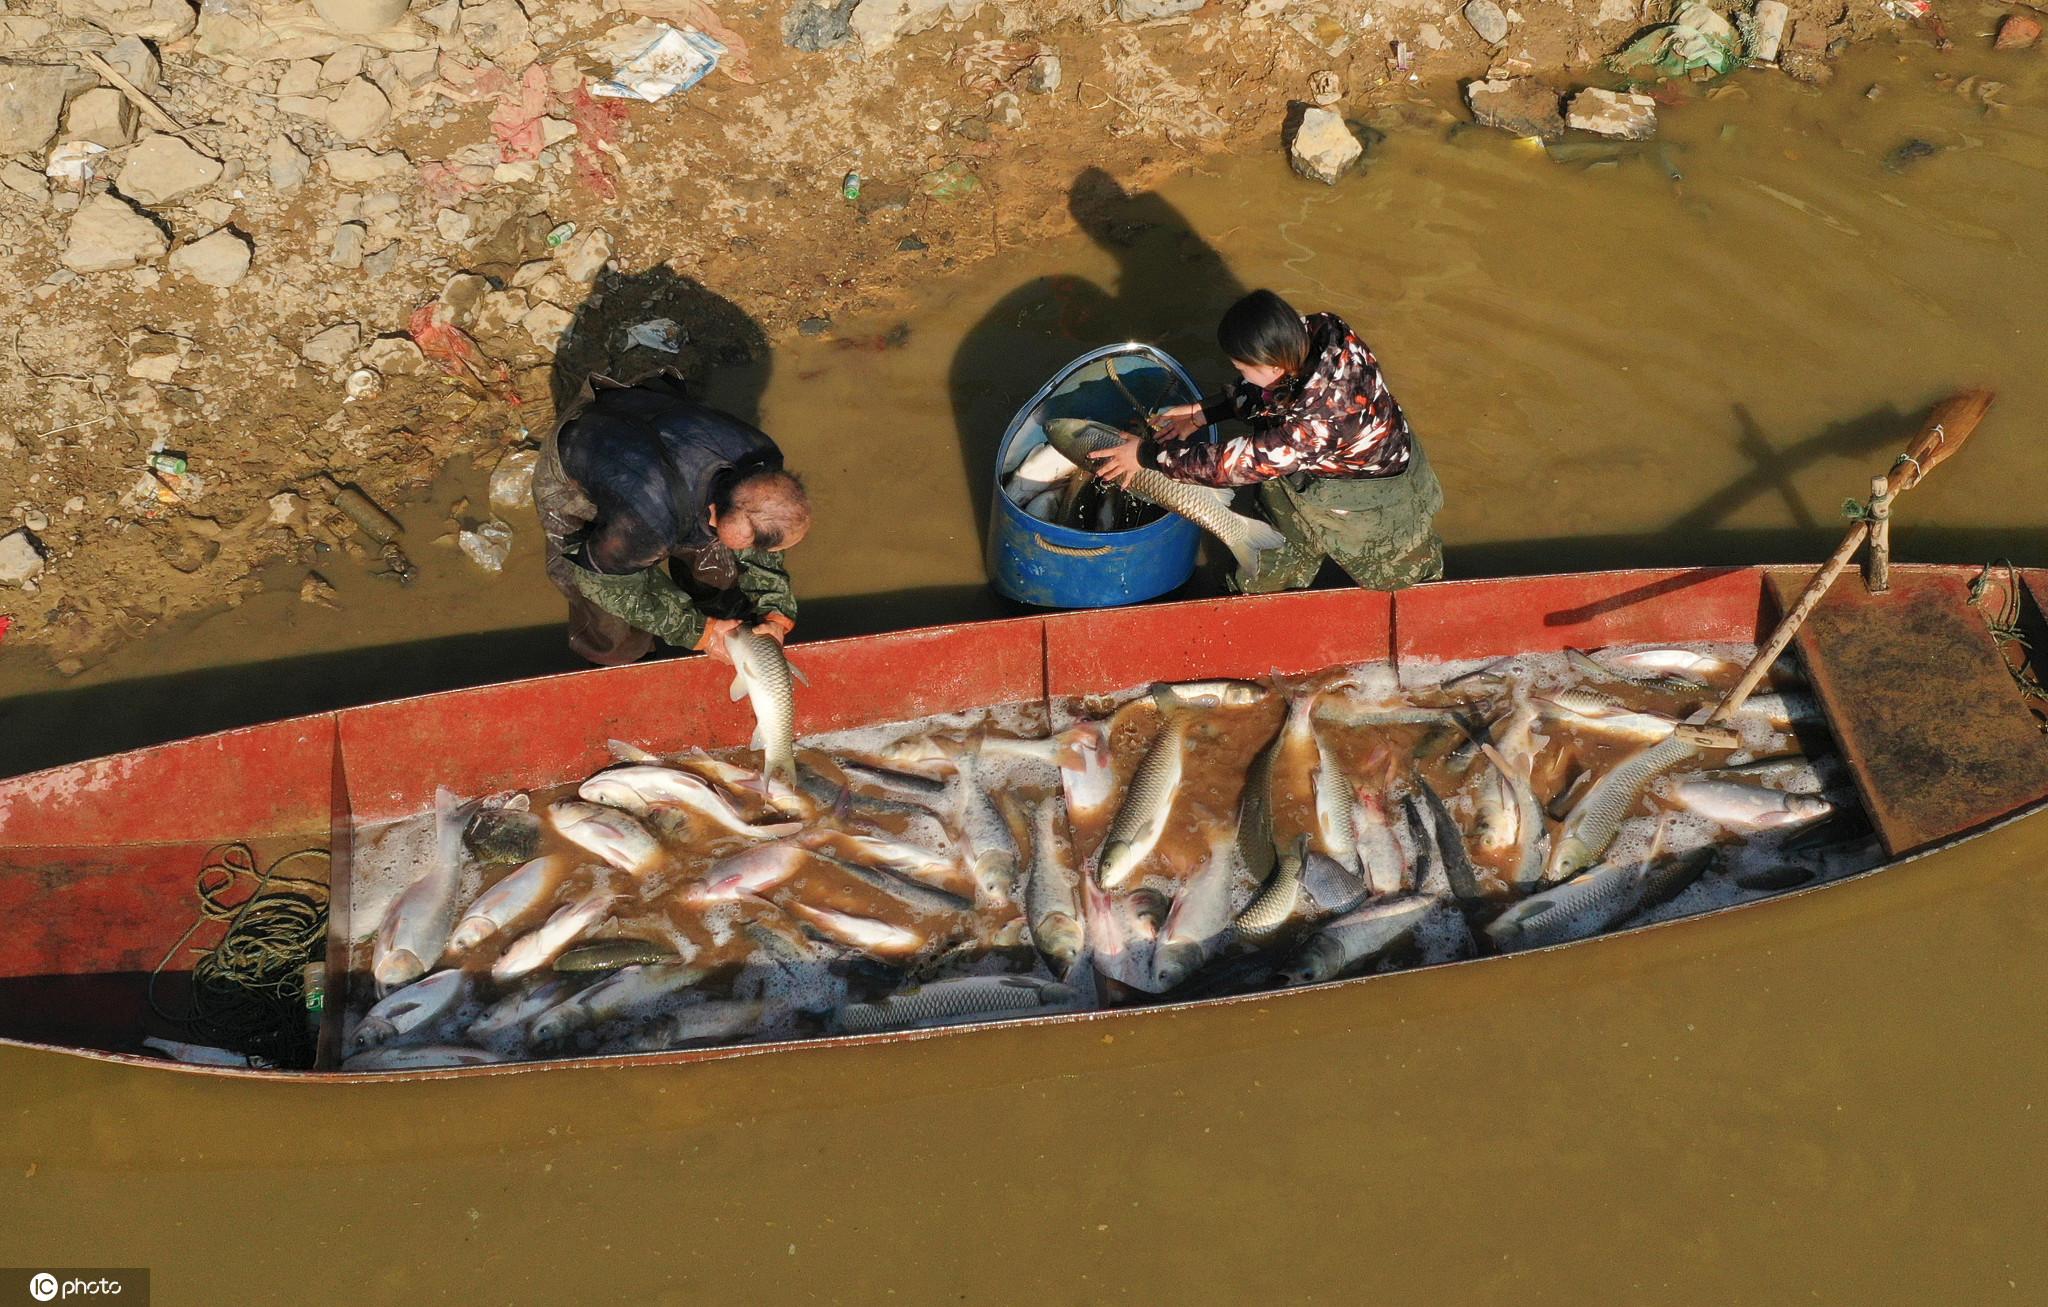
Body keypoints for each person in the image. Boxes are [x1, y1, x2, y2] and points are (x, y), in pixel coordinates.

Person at [1088, 289, 1443, 593]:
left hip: (1369, 494)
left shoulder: (1322, 419)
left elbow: (1232, 465)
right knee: (1265, 563)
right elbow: (1272, 393)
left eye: (1242, 368)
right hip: (1304, 469)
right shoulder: (1317, 333)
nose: (1240, 374)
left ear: (1274, 366)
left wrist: (1145, 454)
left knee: (1402, 576)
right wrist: (1204, 413)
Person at [533, 369, 811, 667]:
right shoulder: (650, 520)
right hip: (584, 457)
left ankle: (734, 634)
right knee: (606, 613)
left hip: (658, 429)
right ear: (719, 519)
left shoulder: (762, 460)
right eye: (747, 544)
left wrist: (775, 613)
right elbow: (602, 583)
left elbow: (763, 527)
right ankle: (622, 659)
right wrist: (697, 632)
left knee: (722, 573)